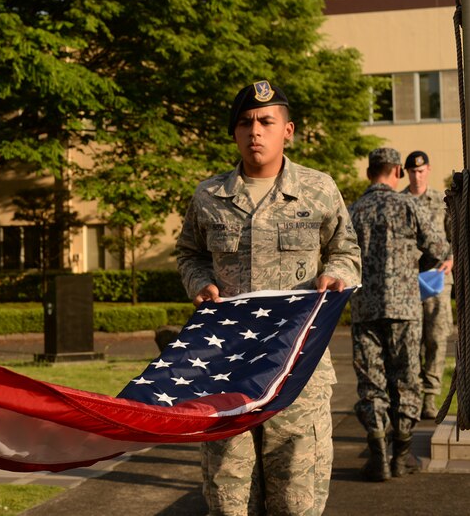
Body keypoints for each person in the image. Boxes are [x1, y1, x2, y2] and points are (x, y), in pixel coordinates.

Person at [175, 80, 361, 516]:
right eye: (245, 123)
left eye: (265, 121)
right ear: (234, 133)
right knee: (228, 501)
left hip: (298, 369)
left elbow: (347, 250)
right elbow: (188, 253)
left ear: (288, 130)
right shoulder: (210, 196)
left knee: (296, 503)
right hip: (227, 371)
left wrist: (335, 274)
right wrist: (199, 282)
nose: (255, 131)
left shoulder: (318, 189)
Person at [349, 148, 448, 482]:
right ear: (397, 172)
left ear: (368, 173)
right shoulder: (409, 206)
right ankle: (401, 458)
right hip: (405, 308)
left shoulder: (354, 211)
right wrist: (412, 269)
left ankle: (379, 458)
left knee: (371, 383)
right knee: (406, 382)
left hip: (365, 311)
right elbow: (439, 249)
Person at [401, 150, 454, 419]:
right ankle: (412, 396)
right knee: (412, 341)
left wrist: (452, 260)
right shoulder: (397, 202)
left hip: (437, 278)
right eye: (412, 171)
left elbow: (454, 235)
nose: (417, 175)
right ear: (406, 172)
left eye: (421, 171)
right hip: (407, 282)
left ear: (428, 170)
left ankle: (430, 397)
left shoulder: (439, 200)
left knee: (435, 338)